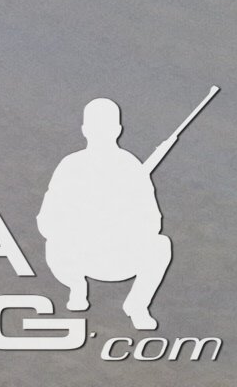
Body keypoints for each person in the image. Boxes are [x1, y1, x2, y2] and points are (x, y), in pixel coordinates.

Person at [37, 97, 176, 330]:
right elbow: (47, 220)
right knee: (54, 244)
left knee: (161, 245)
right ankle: (77, 287)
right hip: (77, 256)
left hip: (120, 256)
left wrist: (120, 222)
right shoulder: (71, 166)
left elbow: (153, 222)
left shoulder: (131, 167)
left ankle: (137, 305)